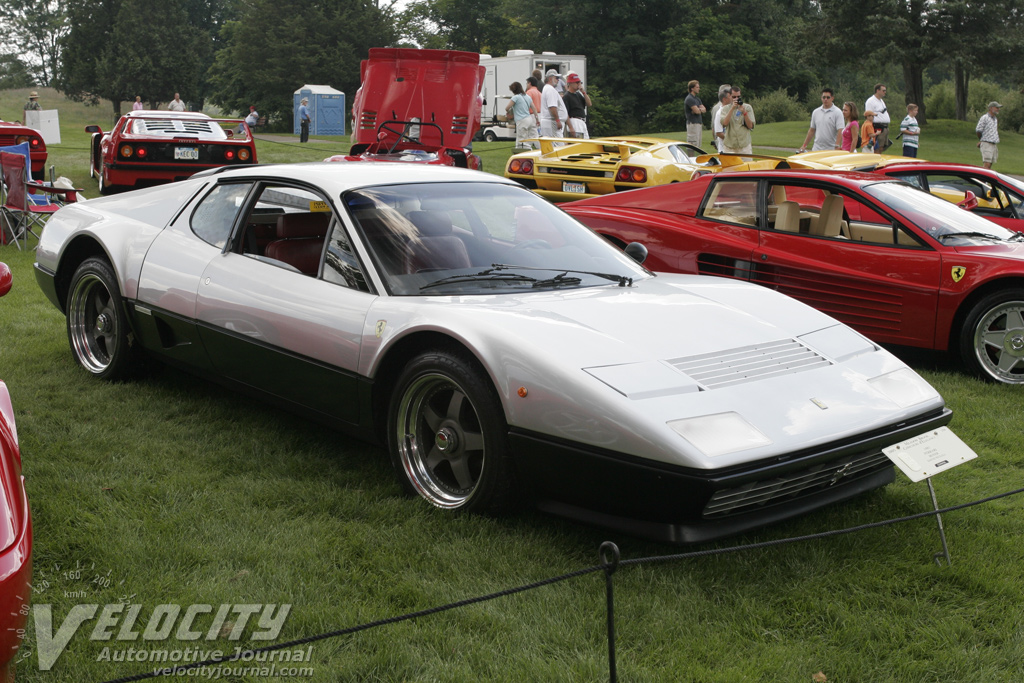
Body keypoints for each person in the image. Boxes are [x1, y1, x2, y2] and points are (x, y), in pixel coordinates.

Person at [797, 88, 844, 153]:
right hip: (816, 149)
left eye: (828, 97)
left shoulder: (837, 112)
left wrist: (837, 145)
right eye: (824, 97)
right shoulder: (816, 112)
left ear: (832, 98)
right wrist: (804, 145)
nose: (825, 99)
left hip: (831, 149)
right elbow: (812, 130)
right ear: (821, 98)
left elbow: (840, 130)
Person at [718, 86, 754, 155]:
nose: (736, 99)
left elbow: (750, 126)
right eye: (734, 97)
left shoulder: (747, 107)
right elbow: (724, 123)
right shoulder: (725, 109)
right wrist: (732, 108)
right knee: (730, 166)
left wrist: (744, 112)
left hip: (744, 146)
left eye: (738, 97)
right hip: (730, 146)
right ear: (730, 96)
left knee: (746, 165)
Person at [505, 82, 539, 149]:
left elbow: (507, 108)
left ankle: (528, 151)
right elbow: (534, 108)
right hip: (529, 119)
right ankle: (518, 152)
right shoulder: (527, 96)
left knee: (521, 140)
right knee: (527, 138)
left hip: (521, 120)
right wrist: (537, 119)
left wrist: (508, 113)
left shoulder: (515, 97)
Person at [540, 69, 568, 138]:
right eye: (556, 78)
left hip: (550, 121)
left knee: (552, 145)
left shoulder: (547, 88)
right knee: (558, 146)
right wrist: (557, 120)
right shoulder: (550, 89)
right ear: (550, 78)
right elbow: (552, 107)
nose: (558, 80)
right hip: (552, 122)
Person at [563, 73, 591, 139]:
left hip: (582, 121)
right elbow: (565, 113)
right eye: (577, 82)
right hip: (574, 121)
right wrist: (570, 127)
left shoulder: (578, 94)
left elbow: (589, 104)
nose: (579, 84)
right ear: (570, 83)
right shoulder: (567, 96)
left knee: (586, 142)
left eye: (579, 82)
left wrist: (583, 92)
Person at [864, 84, 890, 151]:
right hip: (878, 127)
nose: (885, 92)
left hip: (884, 127)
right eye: (883, 90)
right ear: (877, 90)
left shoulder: (881, 101)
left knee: (882, 147)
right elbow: (868, 115)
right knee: (877, 147)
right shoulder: (871, 101)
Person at [976, 101, 1001, 169]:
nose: (998, 109)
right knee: (987, 164)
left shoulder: (995, 119)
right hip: (987, 143)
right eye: (996, 107)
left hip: (993, 144)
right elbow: (978, 130)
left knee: (990, 164)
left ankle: (986, 179)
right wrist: (982, 140)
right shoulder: (985, 117)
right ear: (991, 108)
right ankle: (982, 179)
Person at [684, 80, 706, 147]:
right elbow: (696, 111)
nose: (699, 88)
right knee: (693, 144)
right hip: (692, 124)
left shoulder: (697, 99)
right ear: (692, 88)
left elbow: (704, 109)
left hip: (698, 123)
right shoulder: (689, 99)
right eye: (697, 87)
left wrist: (699, 109)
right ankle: (691, 157)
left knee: (698, 145)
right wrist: (698, 110)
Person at [709, 84, 730, 152]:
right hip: (724, 142)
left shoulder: (715, 107)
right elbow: (715, 128)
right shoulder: (718, 109)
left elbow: (713, 128)